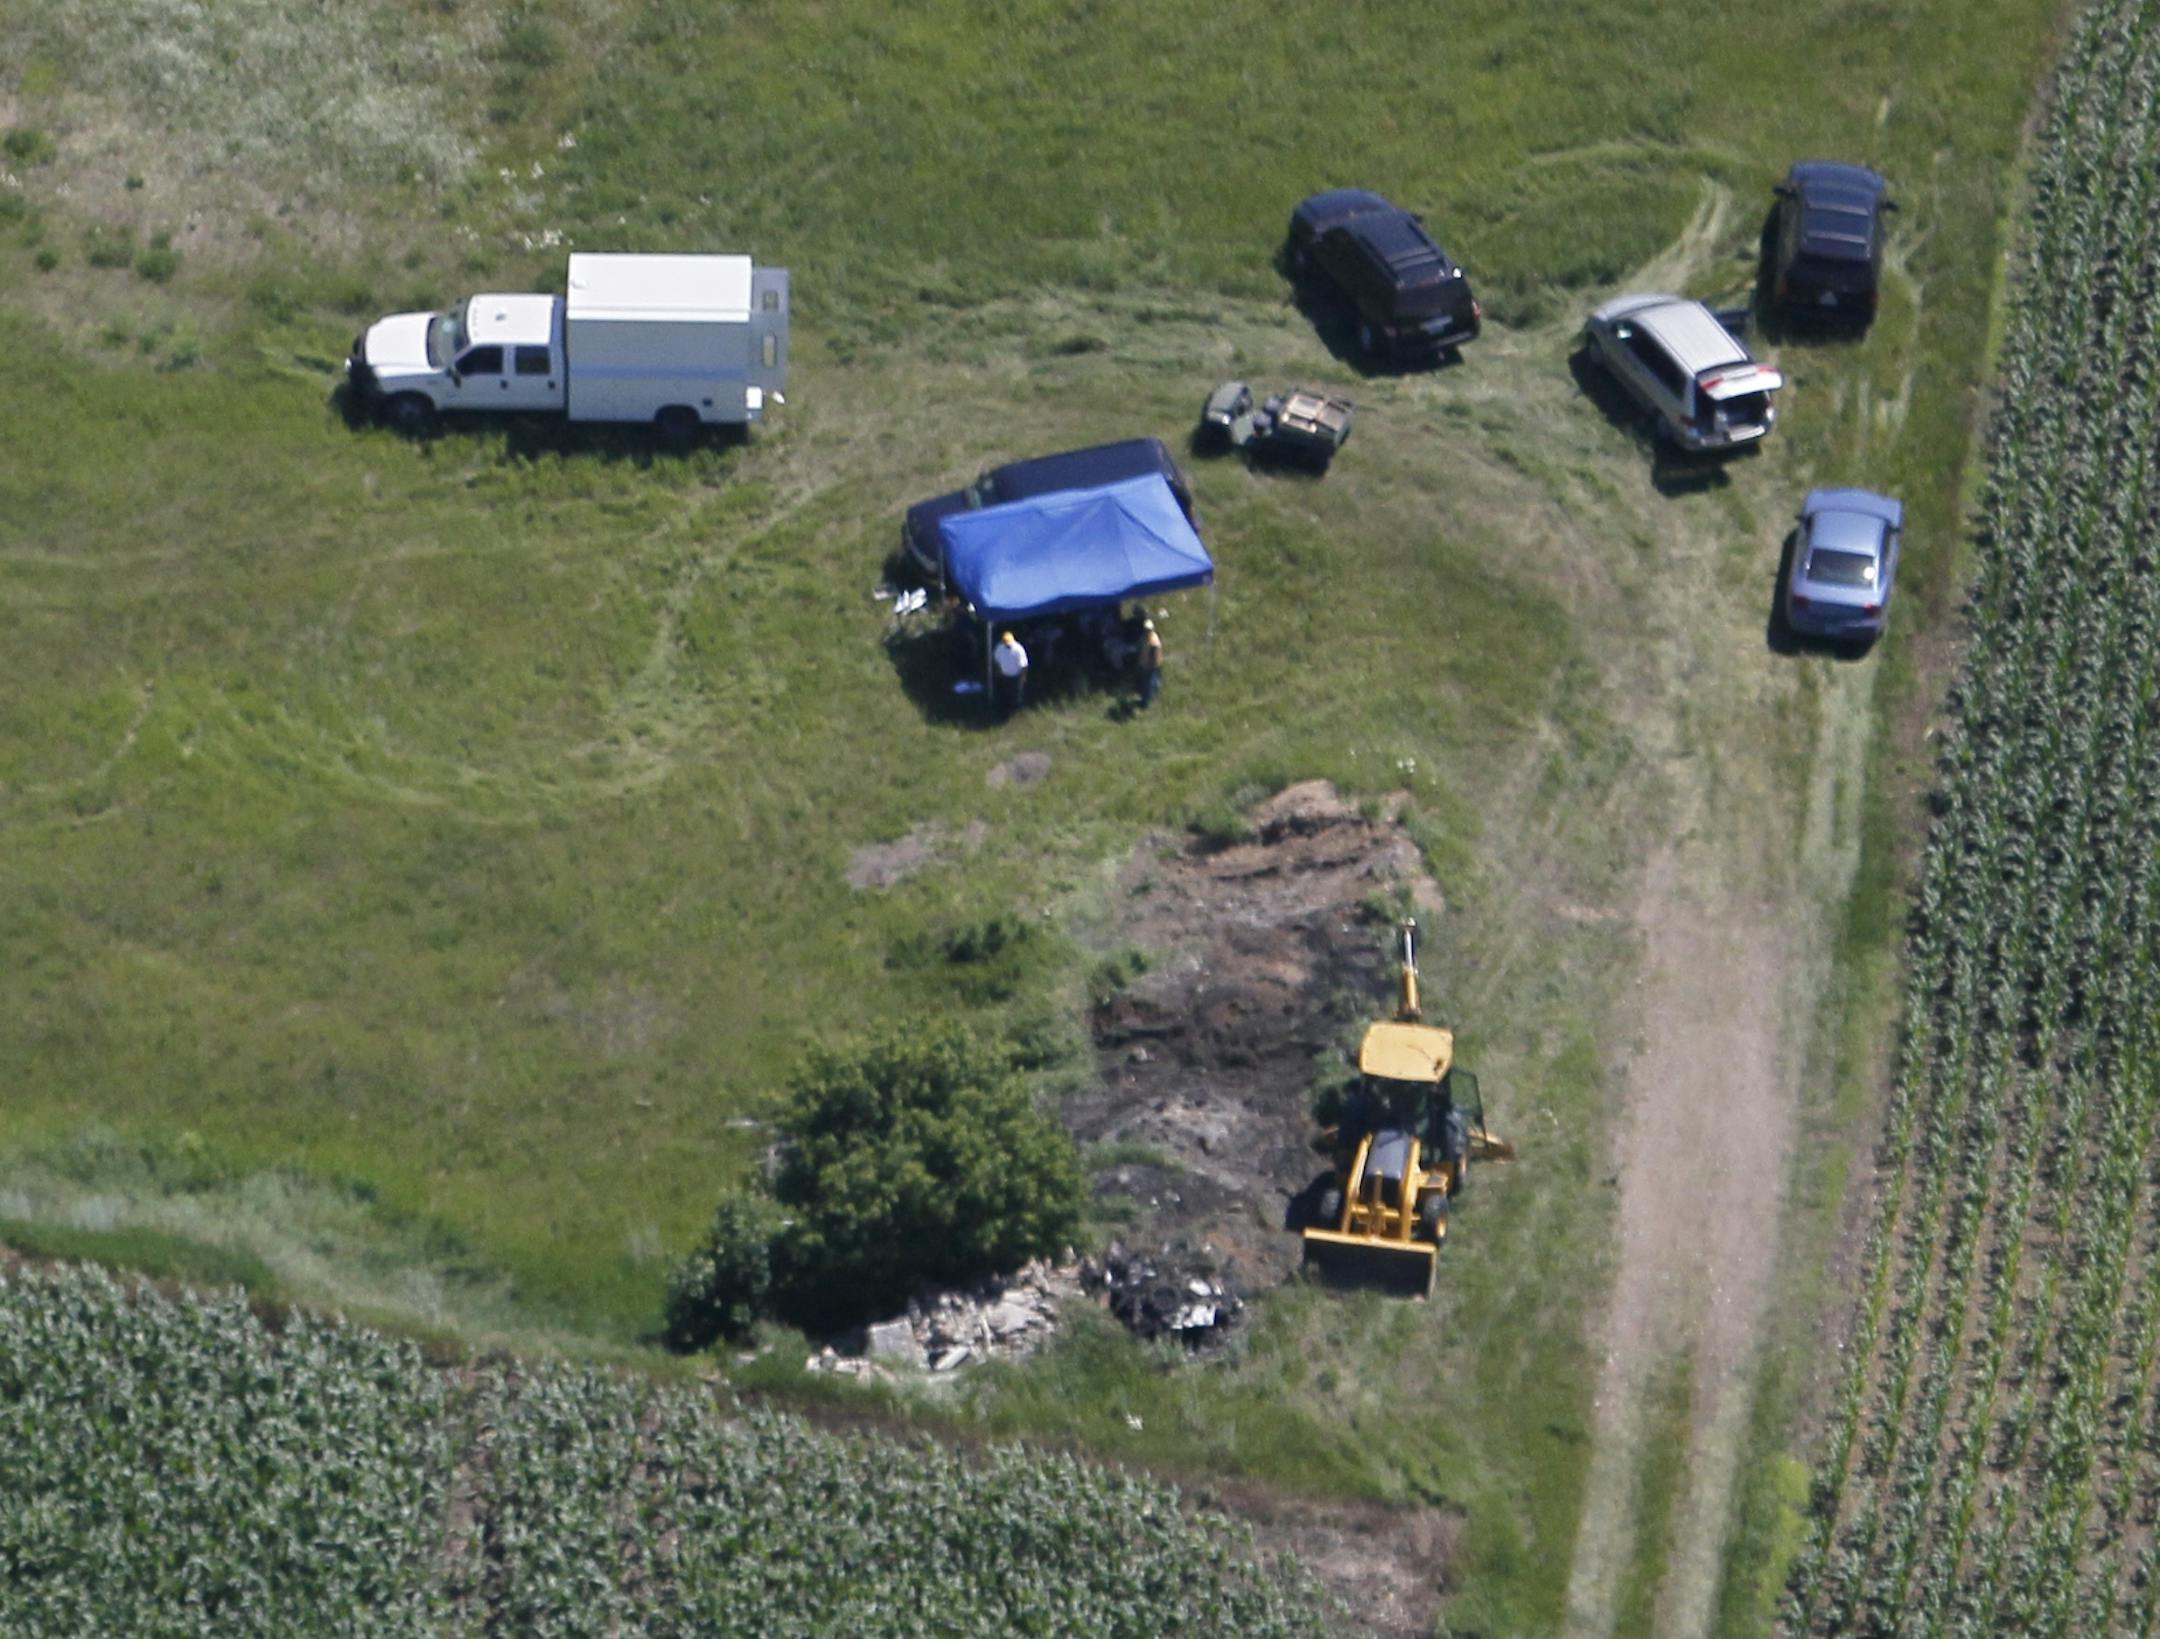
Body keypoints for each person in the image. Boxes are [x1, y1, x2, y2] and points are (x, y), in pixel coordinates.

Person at [992, 628, 1029, 715]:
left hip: (1015, 677)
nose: (1007, 645)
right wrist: (998, 672)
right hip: (1004, 676)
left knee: (1015, 696)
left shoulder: (1019, 649)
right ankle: (1004, 712)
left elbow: (1024, 665)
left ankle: (1015, 713)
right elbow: (997, 661)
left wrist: (1023, 677)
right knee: (1005, 695)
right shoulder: (999, 648)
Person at [1135, 617, 1163, 710]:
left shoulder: (1153, 641)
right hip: (1145, 664)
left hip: (1150, 666)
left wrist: (1150, 665)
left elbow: (1154, 656)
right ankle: (1153, 695)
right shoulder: (1146, 637)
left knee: (1148, 684)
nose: (1146, 630)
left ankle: (1145, 703)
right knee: (1152, 682)